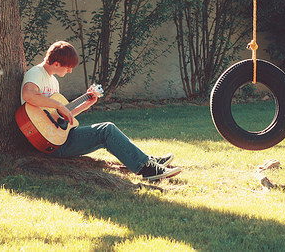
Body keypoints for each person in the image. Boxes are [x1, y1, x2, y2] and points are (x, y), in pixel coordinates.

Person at [19, 40, 181, 181]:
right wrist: (59, 105)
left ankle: (147, 162)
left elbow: (61, 120)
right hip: (48, 144)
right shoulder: (36, 73)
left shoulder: (53, 81)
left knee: (106, 130)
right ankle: (147, 169)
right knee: (107, 130)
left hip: (59, 137)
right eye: (68, 68)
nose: (70, 71)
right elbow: (28, 94)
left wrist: (87, 103)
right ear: (56, 64)